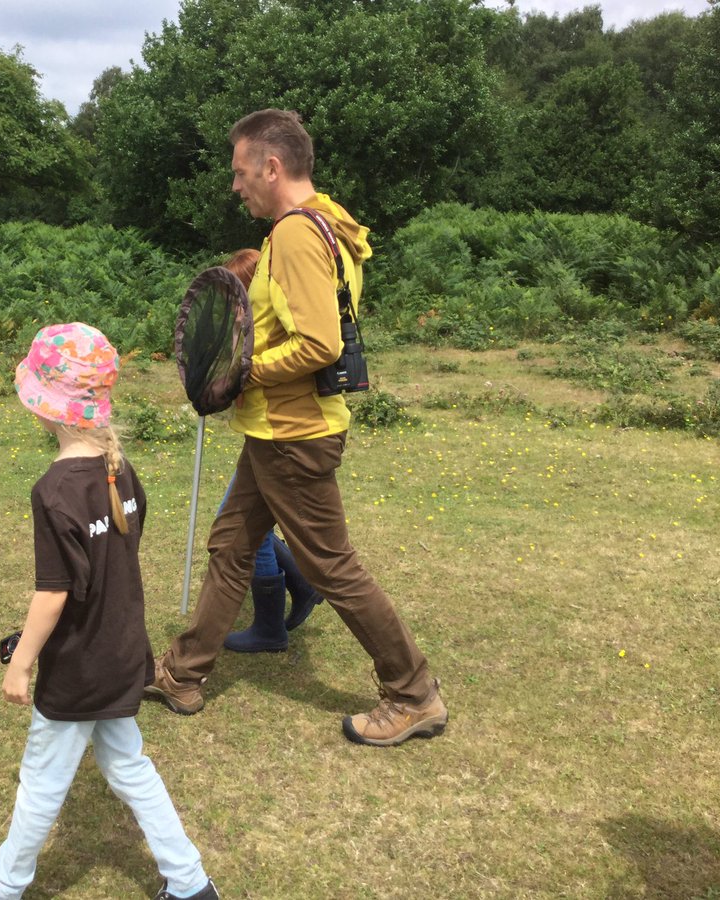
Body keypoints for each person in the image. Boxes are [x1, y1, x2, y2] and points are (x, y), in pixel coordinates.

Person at [145, 109, 448, 747]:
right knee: (232, 546)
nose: (235, 186)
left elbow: (318, 343)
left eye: (239, 172)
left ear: (272, 167)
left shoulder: (296, 235)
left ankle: (413, 693)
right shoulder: (327, 223)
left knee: (333, 567)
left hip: (293, 433)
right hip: (276, 431)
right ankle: (182, 673)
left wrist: (242, 372)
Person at [0, 323, 219, 900]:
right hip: (121, 654)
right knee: (129, 766)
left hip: (80, 667)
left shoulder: (55, 489)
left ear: (47, 406)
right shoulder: (121, 470)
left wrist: (22, 663)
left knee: (42, 779)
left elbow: (55, 592)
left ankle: (4, 887)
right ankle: (191, 884)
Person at [217, 249, 322, 653]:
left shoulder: (270, 335)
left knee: (248, 529)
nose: (233, 308)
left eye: (236, 297)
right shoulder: (252, 332)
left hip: (282, 437)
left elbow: (242, 385)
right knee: (248, 523)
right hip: (265, 436)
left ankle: (270, 625)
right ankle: (302, 585)